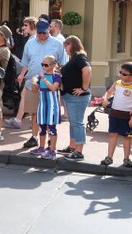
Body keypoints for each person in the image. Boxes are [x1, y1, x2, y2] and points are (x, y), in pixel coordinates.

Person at [12, 20, 65, 149]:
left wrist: (59, 79)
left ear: (49, 30)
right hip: (33, 83)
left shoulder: (57, 43)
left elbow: (62, 63)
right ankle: (34, 137)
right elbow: (25, 62)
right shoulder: (30, 43)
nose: (41, 35)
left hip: (50, 85)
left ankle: (48, 139)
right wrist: (21, 75)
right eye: (39, 33)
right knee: (35, 112)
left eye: (44, 33)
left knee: (48, 113)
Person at [59, 36, 91, 160]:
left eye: (66, 46)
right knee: (74, 123)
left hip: (77, 97)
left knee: (77, 123)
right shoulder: (74, 58)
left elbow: (87, 70)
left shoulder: (79, 56)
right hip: (70, 96)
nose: (65, 49)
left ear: (71, 44)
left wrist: (83, 88)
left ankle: (79, 152)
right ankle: (72, 147)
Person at [28, 55, 61, 159]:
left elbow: (53, 88)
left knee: (51, 128)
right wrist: (33, 83)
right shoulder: (39, 76)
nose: (43, 66)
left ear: (53, 65)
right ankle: (41, 148)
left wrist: (44, 79)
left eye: (46, 65)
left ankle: (52, 150)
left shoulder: (57, 76)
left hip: (52, 105)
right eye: (42, 64)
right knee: (42, 127)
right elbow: (34, 91)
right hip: (42, 105)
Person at [99, 62, 132, 167]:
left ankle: (126, 158)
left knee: (127, 137)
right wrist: (105, 98)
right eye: (120, 72)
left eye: (124, 74)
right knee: (113, 134)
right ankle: (109, 157)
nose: (121, 75)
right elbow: (109, 92)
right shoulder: (117, 83)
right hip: (114, 114)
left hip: (127, 116)